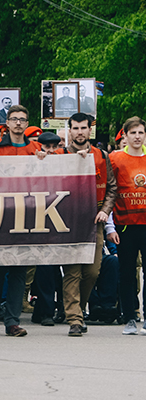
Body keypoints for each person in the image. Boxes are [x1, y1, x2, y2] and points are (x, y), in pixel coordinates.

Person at [0, 104, 45, 337]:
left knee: (19, 268)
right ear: (7, 123)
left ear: (27, 124)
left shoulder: (36, 149)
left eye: (22, 119)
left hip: (26, 215)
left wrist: (44, 161)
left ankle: (12, 321)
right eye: (14, 119)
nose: (18, 123)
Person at [62, 112, 115, 336]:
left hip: (95, 222)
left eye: (84, 128)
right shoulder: (61, 155)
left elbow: (112, 187)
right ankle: (74, 318)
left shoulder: (102, 155)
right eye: (75, 128)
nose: (80, 132)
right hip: (68, 223)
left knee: (92, 271)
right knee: (73, 271)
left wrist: (105, 211)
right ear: (70, 131)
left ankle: (78, 308)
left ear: (89, 130)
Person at [111, 116, 146, 336]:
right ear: (125, 135)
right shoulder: (115, 159)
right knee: (126, 273)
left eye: (141, 132)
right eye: (132, 133)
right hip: (124, 225)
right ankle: (129, 318)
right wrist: (109, 227)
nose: (137, 136)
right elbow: (109, 190)